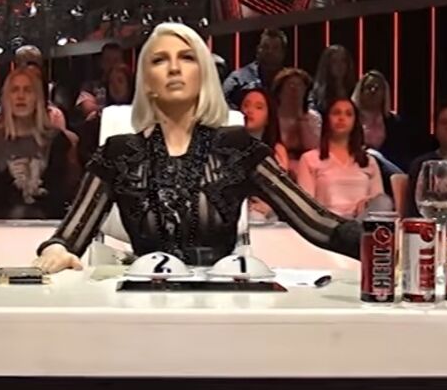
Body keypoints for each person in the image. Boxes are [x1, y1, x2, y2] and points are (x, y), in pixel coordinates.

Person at [33, 22, 363, 273]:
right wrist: (55, 251)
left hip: (221, 309)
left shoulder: (239, 148)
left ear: (202, 74)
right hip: (142, 307)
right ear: (147, 82)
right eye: (160, 60)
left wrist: (379, 244)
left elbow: (318, 224)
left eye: (187, 57)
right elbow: (68, 238)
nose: (174, 67)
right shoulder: (117, 153)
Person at [0, 68, 76, 219]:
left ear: (37, 98)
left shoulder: (56, 139)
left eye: (27, 90)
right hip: (0, 224)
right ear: (7, 98)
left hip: (45, 224)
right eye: (15, 90)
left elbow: (60, 195)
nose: (20, 96)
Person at [296, 98, 389, 218]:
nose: (341, 118)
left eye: (348, 114)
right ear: (327, 119)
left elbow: (379, 203)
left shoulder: (369, 161)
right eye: (336, 113)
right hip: (329, 222)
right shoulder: (309, 159)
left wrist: (367, 202)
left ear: (355, 122)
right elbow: (306, 206)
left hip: (361, 221)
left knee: (385, 202)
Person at [240, 88, 290, 221]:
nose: (249, 111)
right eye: (246, 105)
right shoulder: (226, 148)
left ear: (269, 118)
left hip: (265, 215)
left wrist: (270, 207)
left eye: (258, 107)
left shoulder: (277, 151)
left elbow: (283, 193)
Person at [77, 62, 136, 168]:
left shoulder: (142, 117)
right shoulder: (96, 120)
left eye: (120, 81)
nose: (115, 86)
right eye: (111, 82)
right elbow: (86, 153)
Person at [352, 70, 411, 169]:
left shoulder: (394, 122)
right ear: (360, 92)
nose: (373, 91)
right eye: (369, 87)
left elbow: (401, 154)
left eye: (377, 88)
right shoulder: (351, 119)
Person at [222, 28, 287, 109]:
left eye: (275, 48)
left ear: (283, 53)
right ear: (258, 50)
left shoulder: (290, 80)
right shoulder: (239, 78)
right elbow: (221, 101)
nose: (270, 51)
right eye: (265, 47)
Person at [274, 68, 322, 170]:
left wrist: (301, 118)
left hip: (308, 167)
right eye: (290, 85)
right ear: (279, 91)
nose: (295, 90)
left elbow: (314, 148)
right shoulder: (272, 117)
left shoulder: (313, 117)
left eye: (300, 85)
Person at [76, 42, 125, 120]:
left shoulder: (131, 84)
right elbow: (87, 107)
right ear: (101, 62)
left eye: (116, 60)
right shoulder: (91, 85)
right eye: (108, 60)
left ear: (122, 63)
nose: (112, 64)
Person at [311, 45, 356, 115]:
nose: (339, 65)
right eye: (334, 61)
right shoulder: (318, 94)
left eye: (343, 61)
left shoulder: (354, 90)